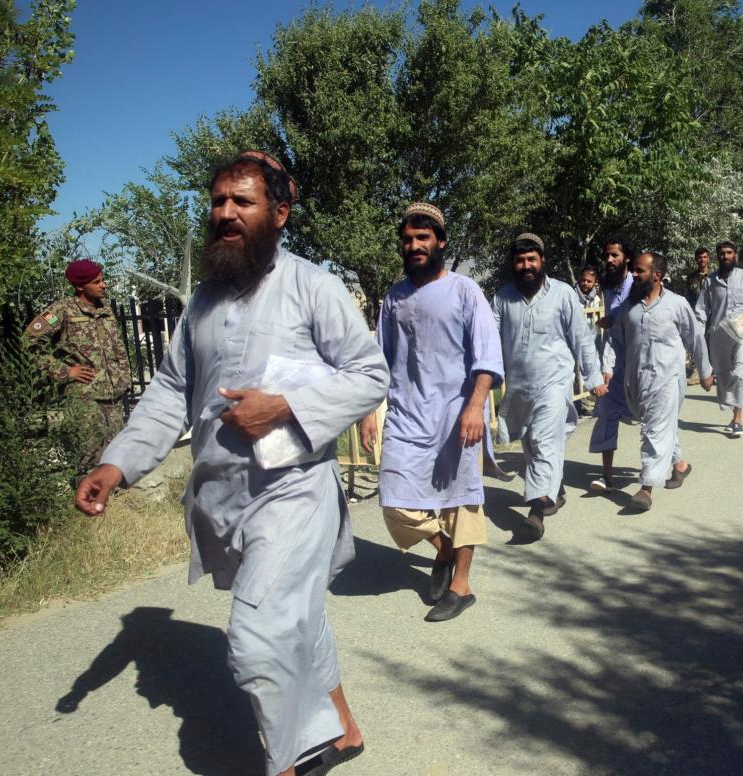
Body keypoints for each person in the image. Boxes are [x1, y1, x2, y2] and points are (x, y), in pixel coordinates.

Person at [74, 151, 386, 776]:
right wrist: (118, 465)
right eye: (218, 202)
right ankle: (344, 731)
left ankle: (288, 762)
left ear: (280, 213)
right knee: (296, 621)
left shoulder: (312, 287)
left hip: (293, 494)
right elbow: (168, 393)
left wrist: (285, 407)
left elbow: (370, 374)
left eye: (242, 202)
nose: (225, 214)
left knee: (257, 638)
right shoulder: (202, 303)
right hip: (224, 497)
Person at [362, 202, 503, 622]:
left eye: (423, 238)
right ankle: (442, 551)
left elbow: (487, 355)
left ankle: (461, 585)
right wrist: (371, 409)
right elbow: (379, 360)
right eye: (407, 240)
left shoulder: (465, 290)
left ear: (440, 242)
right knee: (395, 503)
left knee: (462, 502)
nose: (414, 246)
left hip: (456, 415)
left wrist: (475, 407)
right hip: (407, 416)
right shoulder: (394, 297)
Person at [492, 233, 604, 540]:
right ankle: (557, 489)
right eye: (520, 260)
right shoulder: (502, 298)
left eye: (532, 259)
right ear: (513, 264)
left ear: (542, 261)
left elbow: (581, 337)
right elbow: (489, 340)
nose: (526, 266)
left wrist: (594, 377)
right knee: (531, 442)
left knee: (542, 439)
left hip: (554, 381)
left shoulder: (563, 293)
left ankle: (536, 512)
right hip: (519, 387)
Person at [602, 252, 712, 511]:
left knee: (655, 429)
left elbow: (695, 338)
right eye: (634, 270)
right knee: (661, 426)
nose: (634, 274)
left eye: (639, 271)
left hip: (668, 379)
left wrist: (705, 371)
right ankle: (680, 466)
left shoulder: (676, 304)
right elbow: (615, 341)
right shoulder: (629, 307)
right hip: (636, 381)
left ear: (657, 276)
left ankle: (647, 487)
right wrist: (606, 369)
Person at [26, 259, 133, 472]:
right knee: (89, 458)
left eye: (103, 280)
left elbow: (118, 347)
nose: (104, 285)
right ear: (80, 286)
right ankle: (88, 502)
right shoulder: (62, 309)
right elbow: (28, 343)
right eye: (97, 281)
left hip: (113, 395)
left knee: (117, 455)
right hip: (85, 396)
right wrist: (65, 371)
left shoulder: (106, 310)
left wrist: (124, 377)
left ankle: (118, 502)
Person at [694, 240, 743, 438]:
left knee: (740, 371)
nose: (725, 256)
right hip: (718, 337)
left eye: (729, 253)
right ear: (718, 257)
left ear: (735, 255)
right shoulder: (711, 281)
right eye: (722, 253)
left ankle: (737, 418)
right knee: (724, 375)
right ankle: (730, 406)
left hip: (742, 334)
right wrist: (697, 333)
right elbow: (701, 310)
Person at [588, 237, 636, 491]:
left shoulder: (637, 283)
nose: (609, 260)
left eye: (614, 255)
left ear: (626, 257)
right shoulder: (608, 286)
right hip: (615, 361)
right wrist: (606, 367)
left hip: (640, 362)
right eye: (607, 255)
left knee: (653, 416)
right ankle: (606, 476)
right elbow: (610, 334)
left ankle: (675, 462)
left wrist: (614, 319)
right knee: (606, 411)